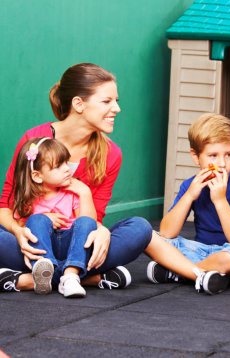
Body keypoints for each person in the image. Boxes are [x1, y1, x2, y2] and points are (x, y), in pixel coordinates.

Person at [0, 63, 151, 293]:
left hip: (77, 241)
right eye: (107, 101)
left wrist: (102, 231)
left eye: (116, 100)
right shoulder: (35, 139)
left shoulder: (111, 154)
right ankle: (78, 276)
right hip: (33, 243)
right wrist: (19, 232)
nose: (117, 108)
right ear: (79, 104)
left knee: (140, 228)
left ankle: (35, 278)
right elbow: (6, 206)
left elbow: (93, 218)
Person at [145, 113, 230, 293]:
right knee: (151, 237)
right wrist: (190, 195)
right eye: (213, 156)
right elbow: (167, 232)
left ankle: (182, 272)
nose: (222, 163)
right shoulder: (190, 186)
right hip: (201, 251)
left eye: (228, 155)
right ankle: (206, 274)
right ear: (195, 156)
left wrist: (220, 200)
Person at [11, 137, 98, 298]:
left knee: (86, 222)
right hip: (44, 248)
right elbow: (22, 230)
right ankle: (45, 269)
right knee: (36, 220)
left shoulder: (72, 193)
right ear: (37, 176)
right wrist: (44, 219)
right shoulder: (27, 200)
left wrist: (85, 193)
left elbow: (89, 224)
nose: (67, 169)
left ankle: (70, 275)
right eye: (58, 166)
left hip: (71, 246)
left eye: (66, 162)